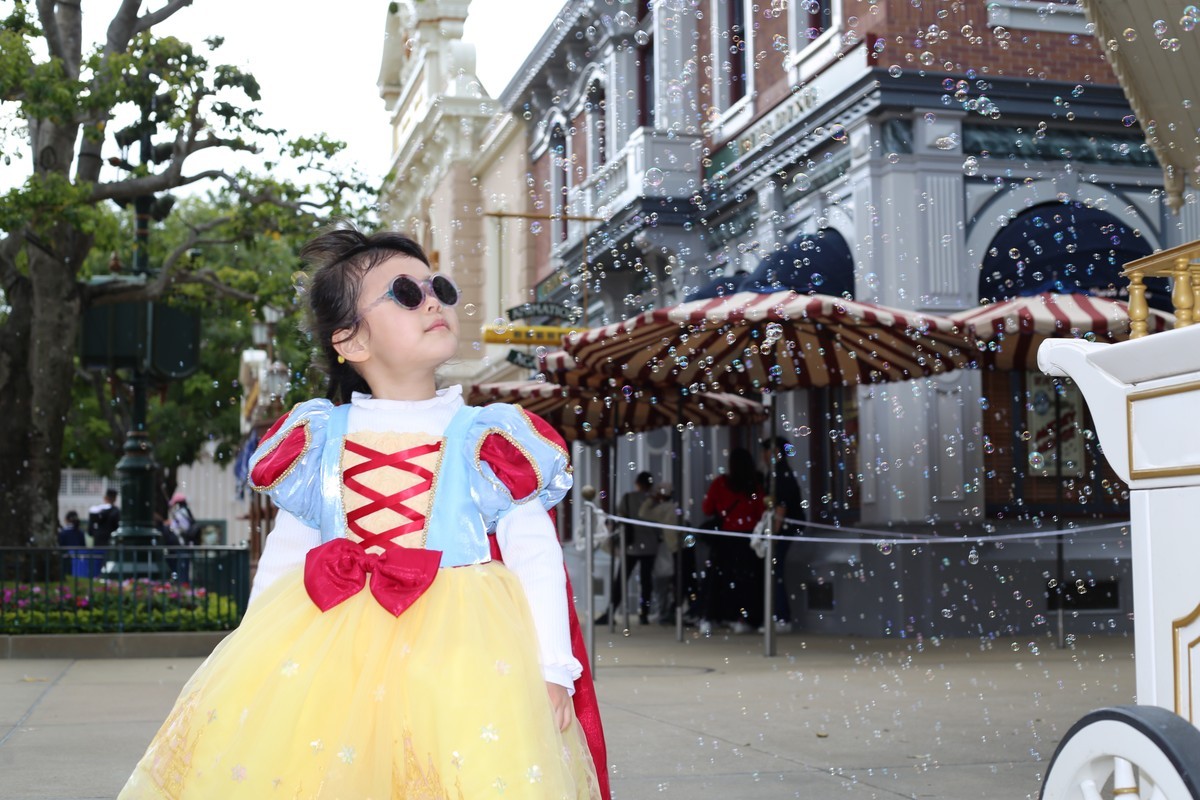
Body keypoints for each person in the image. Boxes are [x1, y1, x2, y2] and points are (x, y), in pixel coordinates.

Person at [119, 225, 607, 799]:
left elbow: (535, 555)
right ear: (350, 341)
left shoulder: (488, 437)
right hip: (333, 653)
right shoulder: (318, 442)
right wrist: (253, 660)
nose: (432, 300)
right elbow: (284, 556)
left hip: (463, 658)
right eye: (404, 292)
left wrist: (553, 669)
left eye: (438, 288)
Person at [696, 448, 765, 635]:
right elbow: (760, 513)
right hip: (748, 539)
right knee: (747, 582)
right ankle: (744, 618)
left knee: (716, 579)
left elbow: (707, 508)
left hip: (726, 538)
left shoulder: (721, 483)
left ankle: (710, 617)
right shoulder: (754, 486)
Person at [598, 471, 658, 625]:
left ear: (637, 483)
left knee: (621, 580)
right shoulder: (654, 500)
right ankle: (644, 614)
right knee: (646, 582)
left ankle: (611, 611)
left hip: (630, 544)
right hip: (650, 545)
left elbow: (620, 517)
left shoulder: (628, 498)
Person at [761, 436, 805, 634]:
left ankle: (782, 617)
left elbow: (782, 506)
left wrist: (774, 531)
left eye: (767, 450)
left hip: (786, 529)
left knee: (776, 572)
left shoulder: (781, 474)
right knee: (774, 572)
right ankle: (777, 615)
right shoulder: (776, 473)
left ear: (775, 451)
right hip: (785, 528)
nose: (764, 455)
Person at [638, 483, 679, 624]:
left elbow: (642, 512)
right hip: (674, 548)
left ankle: (664, 612)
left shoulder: (663, 508)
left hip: (667, 549)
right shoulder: (673, 507)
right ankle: (669, 611)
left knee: (662, 582)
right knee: (671, 583)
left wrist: (651, 499)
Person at [58, 511, 91, 578]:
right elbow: (83, 546)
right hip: (78, 558)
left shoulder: (63, 532)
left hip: (66, 558)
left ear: (66, 520)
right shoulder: (80, 532)